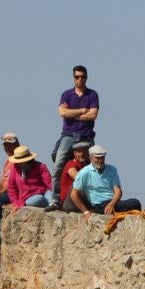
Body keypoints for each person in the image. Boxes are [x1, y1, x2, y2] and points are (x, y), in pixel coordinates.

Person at [48, 66, 99, 209]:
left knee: (93, 168)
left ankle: (93, 200)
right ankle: (55, 199)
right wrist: (83, 111)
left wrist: (72, 113)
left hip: (86, 136)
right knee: (58, 165)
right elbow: (62, 113)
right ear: (73, 78)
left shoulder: (92, 95)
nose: (80, 79)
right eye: (77, 77)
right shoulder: (66, 94)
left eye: (82, 76)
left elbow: (93, 115)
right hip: (68, 135)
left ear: (86, 77)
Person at [71, 146, 141, 216]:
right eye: (97, 158)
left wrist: (111, 204)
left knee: (135, 203)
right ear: (90, 158)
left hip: (113, 203)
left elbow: (118, 191)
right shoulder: (85, 172)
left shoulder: (112, 169)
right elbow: (73, 194)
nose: (100, 160)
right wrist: (85, 212)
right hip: (98, 206)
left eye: (102, 158)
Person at [4, 145, 53, 211]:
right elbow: (12, 189)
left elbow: (49, 182)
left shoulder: (40, 166)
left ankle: (51, 204)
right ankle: (50, 205)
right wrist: (17, 204)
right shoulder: (14, 170)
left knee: (52, 197)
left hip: (44, 192)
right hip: (28, 198)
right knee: (38, 199)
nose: (19, 163)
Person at [57, 141, 92, 207]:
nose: (82, 154)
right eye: (79, 152)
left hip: (80, 199)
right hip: (68, 202)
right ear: (74, 153)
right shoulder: (70, 164)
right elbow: (78, 178)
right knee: (79, 183)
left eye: (84, 152)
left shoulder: (86, 166)